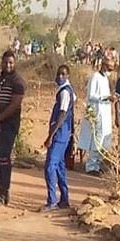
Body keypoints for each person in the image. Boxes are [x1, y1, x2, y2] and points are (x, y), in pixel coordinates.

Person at [0, 50, 26, 205]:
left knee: (4, 157)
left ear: (15, 63)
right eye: (5, 62)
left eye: (10, 62)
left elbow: (15, 104)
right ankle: (0, 190)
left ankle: (5, 193)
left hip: (9, 124)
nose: (7, 65)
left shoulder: (18, 82)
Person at [42, 65, 75, 212]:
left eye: (63, 74)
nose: (60, 77)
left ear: (67, 76)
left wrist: (51, 134)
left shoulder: (65, 93)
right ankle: (64, 199)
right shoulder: (67, 91)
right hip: (64, 133)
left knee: (50, 166)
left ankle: (52, 200)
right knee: (60, 166)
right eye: (58, 74)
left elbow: (62, 113)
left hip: (60, 134)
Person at [78, 58, 117, 176]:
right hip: (97, 112)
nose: (110, 71)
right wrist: (106, 97)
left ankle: (98, 164)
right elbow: (91, 95)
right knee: (97, 139)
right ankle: (91, 166)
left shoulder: (105, 78)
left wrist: (111, 98)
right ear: (103, 66)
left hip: (105, 112)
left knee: (104, 139)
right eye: (109, 68)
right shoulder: (95, 77)